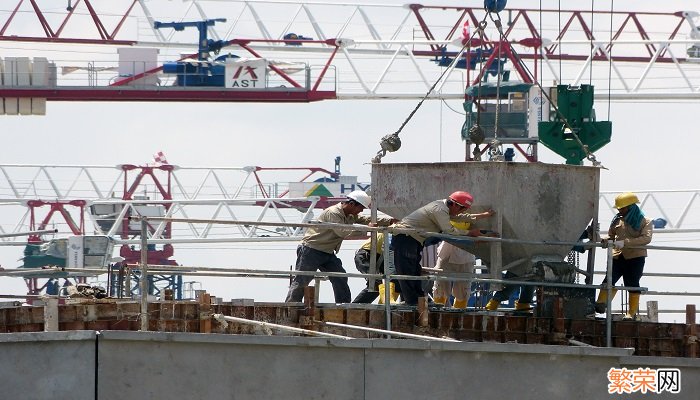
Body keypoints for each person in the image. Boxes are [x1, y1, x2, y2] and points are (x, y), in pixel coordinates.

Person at [284, 190, 394, 303]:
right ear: (352, 204)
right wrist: (367, 229)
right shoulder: (333, 212)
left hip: (327, 251)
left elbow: (365, 219)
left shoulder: (349, 214)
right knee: (303, 279)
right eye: (361, 208)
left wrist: (390, 221)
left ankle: (343, 306)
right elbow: (342, 231)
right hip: (312, 249)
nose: (361, 210)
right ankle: (291, 307)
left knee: (340, 277)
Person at [390, 191, 497, 306]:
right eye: (463, 208)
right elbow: (449, 231)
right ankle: (413, 302)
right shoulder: (439, 210)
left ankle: (420, 299)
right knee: (408, 271)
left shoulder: (444, 208)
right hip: (406, 238)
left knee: (415, 270)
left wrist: (483, 215)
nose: (463, 212)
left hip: (414, 239)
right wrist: (470, 233)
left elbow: (460, 217)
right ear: (455, 205)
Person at [594, 192, 653, 320]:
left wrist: (625, 243)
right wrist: (603, 240)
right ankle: (600, 304)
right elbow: (611, 236)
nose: (620, 210)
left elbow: (646, 238)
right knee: (609, 279)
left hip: (635, 257)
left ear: (631, 207)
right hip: (617, 256)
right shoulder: (616, 220)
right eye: (619, 208)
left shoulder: (645, 221)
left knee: (632, 283)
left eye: (623, 208)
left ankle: (631, 313)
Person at [433, 218, 493, 309]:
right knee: (440, 286)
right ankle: (436, 312)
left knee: (463, 290)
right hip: (447, 250)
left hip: (467, 252)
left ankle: (459, 315)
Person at [351, 232, 400, 304]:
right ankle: (355, 307)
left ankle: (384, 305)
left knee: (396, 281)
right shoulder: (388, 232)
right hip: (365, 255)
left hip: (380, 258)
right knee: (375, 283)